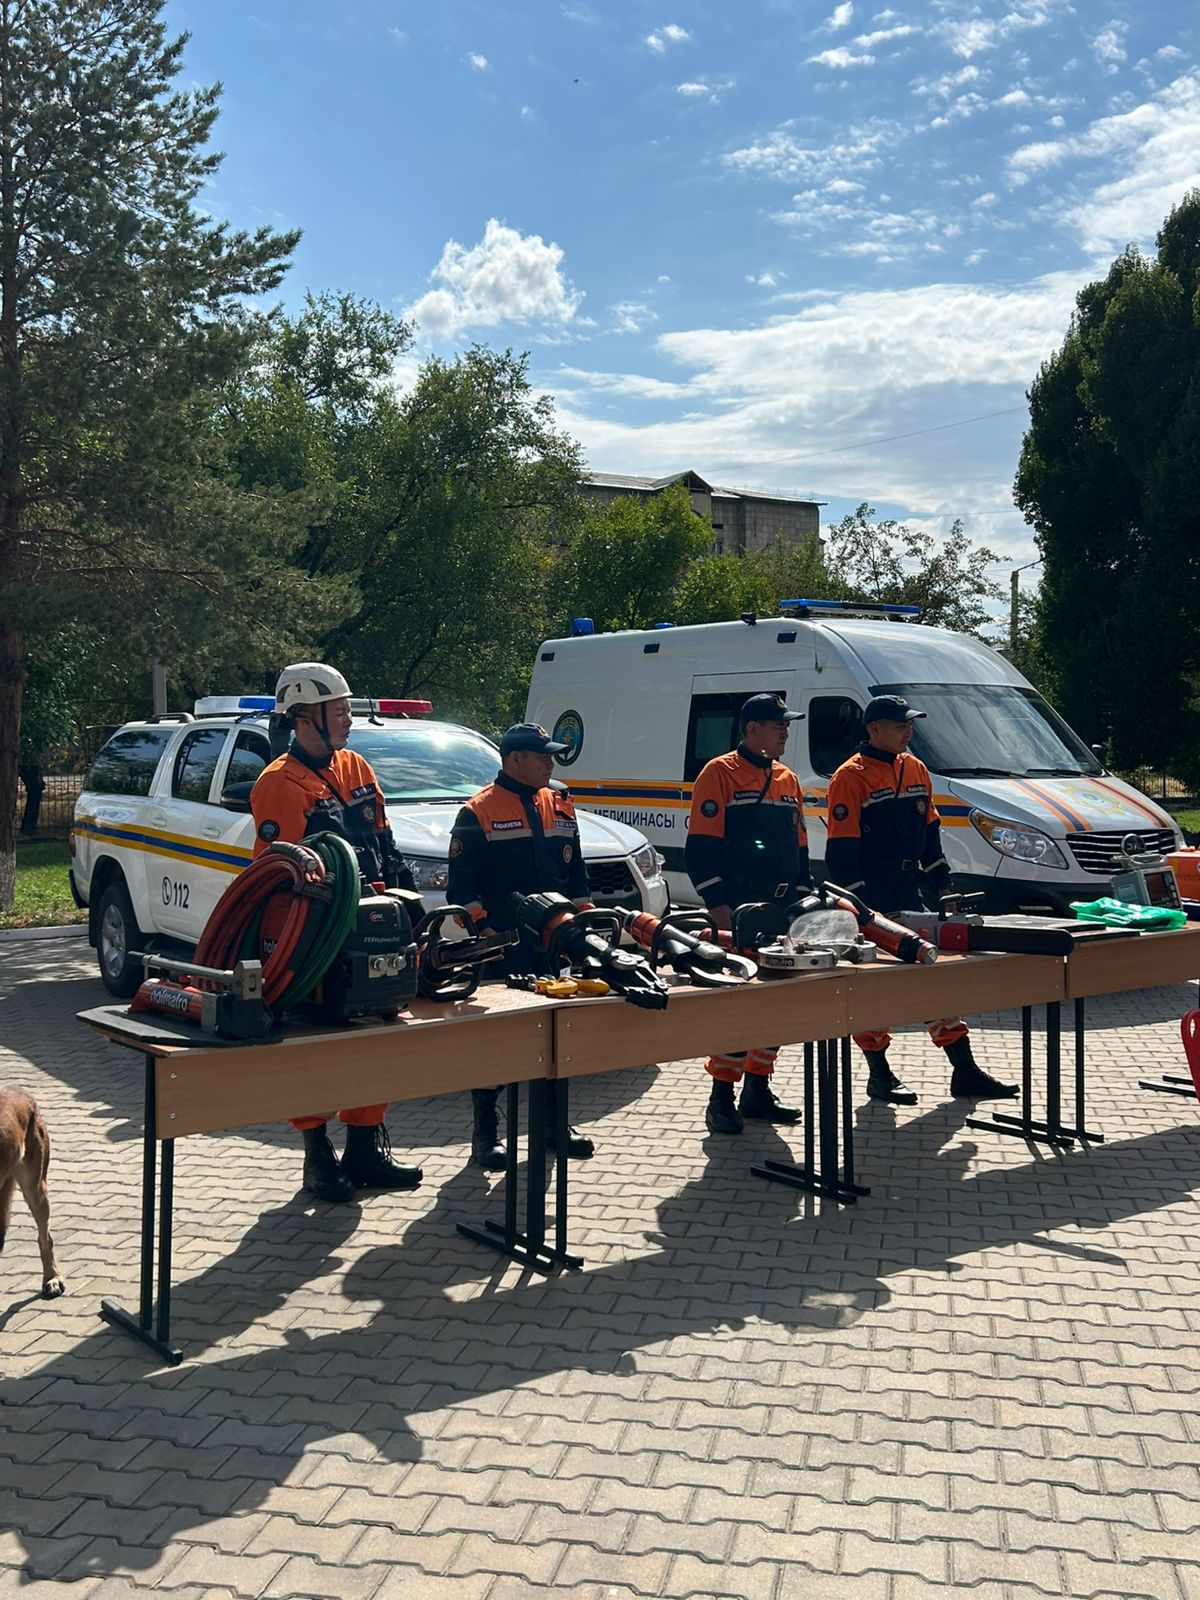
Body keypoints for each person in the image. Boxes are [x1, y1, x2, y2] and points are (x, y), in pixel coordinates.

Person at [250, 661, 424, 1203]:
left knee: (379, 1035)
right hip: (317, 934)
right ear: (305, 716)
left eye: (348, 709)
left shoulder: (356, 766)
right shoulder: (279, 783)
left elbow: (384, 840)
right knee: (315, 1046)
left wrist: (408, 903)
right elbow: (279, 871)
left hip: (373, 926)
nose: (348, 718)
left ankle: (366, 1147)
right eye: (339, 710)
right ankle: (317, 1153)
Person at [825, 693, 1017, 1105]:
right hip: (873, 891)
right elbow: (840, 854)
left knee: (935, 976)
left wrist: (943, 884)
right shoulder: (849, 776)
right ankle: (880, 1074)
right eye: (900, 725)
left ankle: (964, 1071)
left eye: (910, 724)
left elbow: (930, 835)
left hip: (911, 887)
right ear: (875, 729)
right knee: (877, 987)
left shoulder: (915, 768)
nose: (908, 731)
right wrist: (862, 908)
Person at [447, 722, 597, 1169]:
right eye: (542, 755)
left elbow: (576, 873)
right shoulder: (477, 811)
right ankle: (485, 1133)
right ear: (515, 759)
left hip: (555, 942)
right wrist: (483, 932)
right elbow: (463, 888)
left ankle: (553, 1125)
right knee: (498, 1040)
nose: (551, 762)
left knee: (557, 1033)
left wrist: (584, 923)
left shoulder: (561, 802)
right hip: (505, 944)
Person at [685, 693, 811, 1135]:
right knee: (740, 1006)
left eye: (787, 725)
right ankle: (720, 1097)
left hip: (782, 910)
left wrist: (803, 896)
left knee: (778, 1005)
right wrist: (719, 908)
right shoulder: (719, 772)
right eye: (778, 725)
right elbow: (700, 850)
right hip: (739, 909)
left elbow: (799, 845)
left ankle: (757, 1090)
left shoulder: (787, 778)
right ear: (752, 729)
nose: (785, 732)